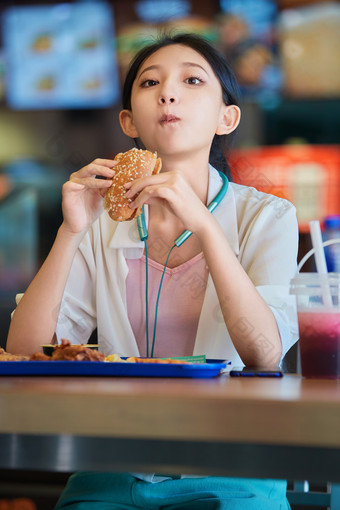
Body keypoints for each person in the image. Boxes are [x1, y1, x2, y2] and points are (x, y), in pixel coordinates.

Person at [7, 33, 298, 509]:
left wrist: (204, 225)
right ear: (129, 122)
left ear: (228, 117)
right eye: (150, 82)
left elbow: (265, 354)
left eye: (191, 80)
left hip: (235, 465)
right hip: (114, 463)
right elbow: (24, 352)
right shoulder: (100, 222)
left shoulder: (268, 217)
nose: (168, 93)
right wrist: (71, 231)